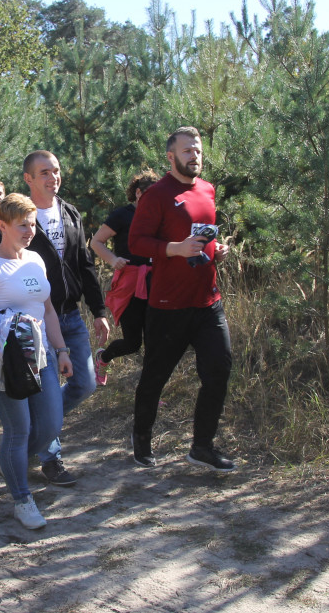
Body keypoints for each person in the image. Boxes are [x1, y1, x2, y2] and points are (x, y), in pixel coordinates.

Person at [0, 194, 74, 529]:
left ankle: (8, 462)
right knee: (19, 428)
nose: (29, 230)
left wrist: (62, 349)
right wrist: (11, 327)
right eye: (22, 225)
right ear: (2, 226)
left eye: (32, 223)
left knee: (51, 425)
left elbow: (48, 310)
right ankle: (22, 499)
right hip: (1, 360)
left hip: (40, 357)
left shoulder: (36, 261)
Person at [128, 126, 233, 471]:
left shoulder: (207, 189)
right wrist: (173, 249)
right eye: (187, 151)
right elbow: (137, 242)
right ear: (171, 157)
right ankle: (141, 438)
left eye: (198, 150)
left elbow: (204, 237)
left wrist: (217, 250)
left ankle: (202, 447)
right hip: (168, 306)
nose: (195, 156)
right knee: (156, 377)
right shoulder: (157, 195)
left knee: (219, 369)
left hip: (207, 302)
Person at [23, 150, 110, 486]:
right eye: (44, 172)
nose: (52, 178)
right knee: (45, 393)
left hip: (70, 316)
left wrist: (98, 311)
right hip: (35, 319)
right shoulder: (22, 215)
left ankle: (30, 440)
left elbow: (85, 265)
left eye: (56, 171)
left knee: (85, 383)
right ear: (29, 179)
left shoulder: (70, 212)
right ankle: (51, 457)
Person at [90, 170, 161, 386]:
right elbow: (96, 242)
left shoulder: (160, 216)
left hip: (155, 282)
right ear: (138, 193)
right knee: (132, 343)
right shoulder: (122, 215)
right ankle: (103, 358)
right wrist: (113, 260)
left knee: (154, 341)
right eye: (150, 194)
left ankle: (151, 391)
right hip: (130, 283)